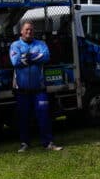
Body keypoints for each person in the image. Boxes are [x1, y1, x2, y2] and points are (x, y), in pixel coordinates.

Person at [10, 21, 63, 152]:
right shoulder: (15, 45)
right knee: (23, 118)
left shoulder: (41, 44)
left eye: (32, 30)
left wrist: (26, 57)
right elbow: (15, 61)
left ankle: (48, 143)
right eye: (27, 30)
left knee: (44, 116)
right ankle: (24, 143)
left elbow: (45, 57)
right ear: (21, 31)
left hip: (39, 90)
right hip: (22, 90)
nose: (29, 32)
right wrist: (35, 57)